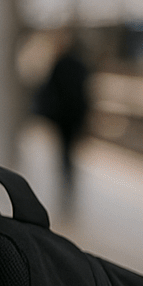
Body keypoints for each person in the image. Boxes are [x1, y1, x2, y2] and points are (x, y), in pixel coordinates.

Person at [34, 30, 91, 200]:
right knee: (70, 149)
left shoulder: (59, 64)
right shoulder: (81, 65)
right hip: (74, 116)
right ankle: (69, 179)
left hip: (61, 117)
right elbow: (85, 93)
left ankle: (65, 179)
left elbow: (49, 89)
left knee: (63, 150)